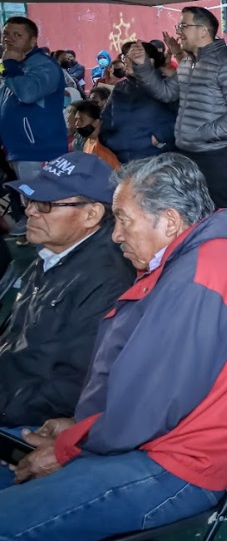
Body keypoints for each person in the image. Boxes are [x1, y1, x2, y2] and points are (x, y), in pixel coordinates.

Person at [0, 153, 227, 541]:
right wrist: (77, 426)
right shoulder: (189, 263)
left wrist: (69, 445)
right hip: (150, 444)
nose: (116, 233)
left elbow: (145, 411)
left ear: (169, 221)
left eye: (124, 219)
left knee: (5, 532)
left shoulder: (197, 281)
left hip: (176, 465)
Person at [0, 153, 134, 434]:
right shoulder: (53, 252)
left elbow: (72, 387)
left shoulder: (109, 280)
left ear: (91, 215)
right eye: (29, 201)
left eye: (45, 204)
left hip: (27, 416)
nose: (30, 211)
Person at [128, 6, 227, 209]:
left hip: (218, 155)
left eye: (183, 26)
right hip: (189, 152)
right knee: (195, 212)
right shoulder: (188, 63)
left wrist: (203, 133)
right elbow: (166, 93)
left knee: (222, 212)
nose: (178, 32)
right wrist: (143, 66)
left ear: (203, 30)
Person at [0, 16, 69, 182]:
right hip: (18, 149)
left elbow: (28, 94)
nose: (9, 39)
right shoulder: (15, 65)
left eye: (17, 35)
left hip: (39, 150)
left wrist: (10, 66)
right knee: (26, 197)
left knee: (41, 197)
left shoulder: (44, 65)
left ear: (33, 41)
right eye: (6, 34)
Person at [100, 41, 177, 161]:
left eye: (133, 58)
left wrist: (160, 136)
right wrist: (111, 142)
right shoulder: (120, 88)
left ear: (150, 61)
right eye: (125, 57)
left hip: (157, 159)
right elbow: (105, 120)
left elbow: (182, 117)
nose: (126, 61)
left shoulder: (165, 86)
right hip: (122, 160)